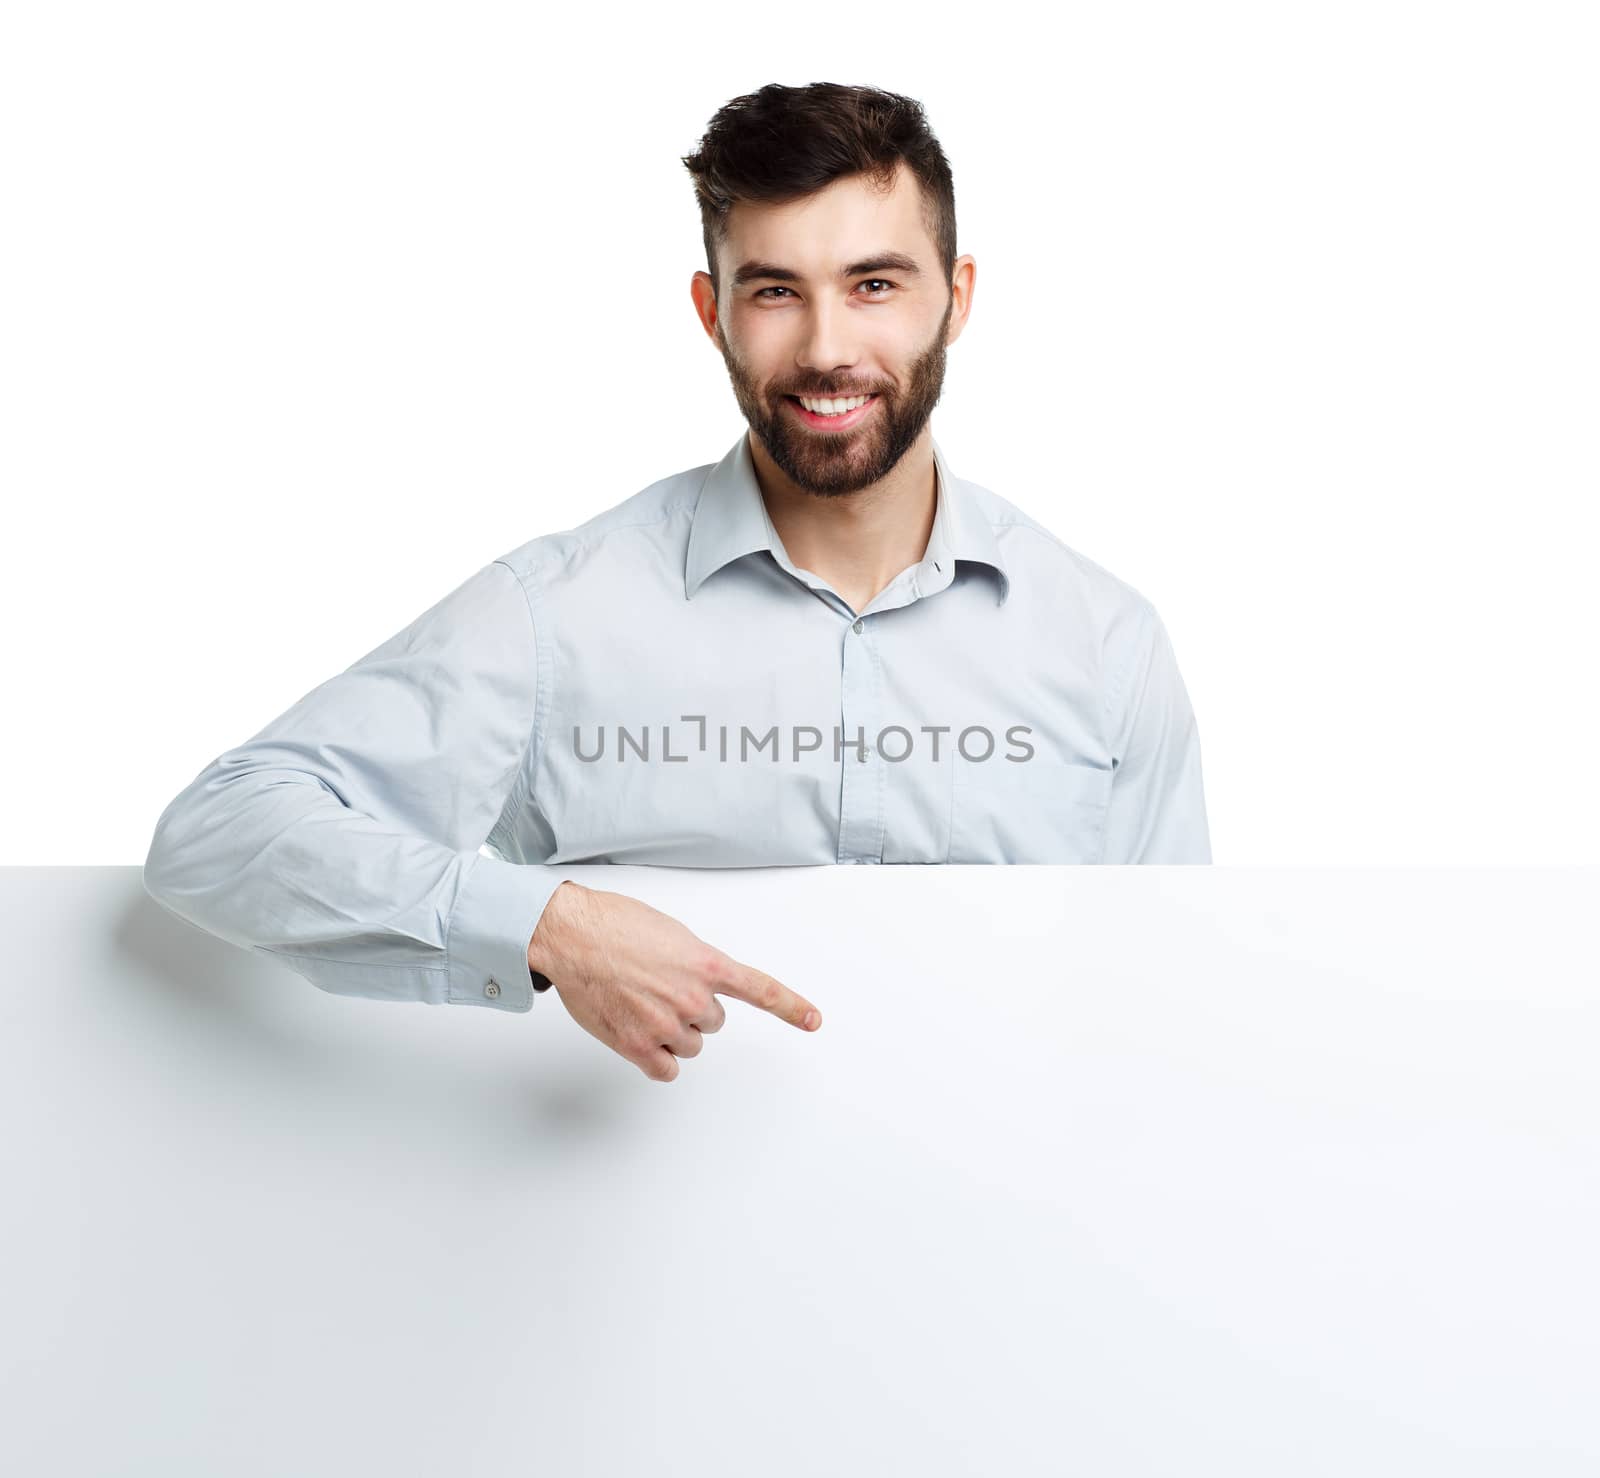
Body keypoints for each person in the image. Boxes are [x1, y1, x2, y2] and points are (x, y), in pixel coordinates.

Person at [143, 81, 1211, 1084]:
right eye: (775, 291)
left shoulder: (1104, 643)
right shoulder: (558, 613)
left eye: (874, 284)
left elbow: (1179, 1008)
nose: (827, 346)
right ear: (711, 310)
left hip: (1014, 1248)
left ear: (957, 297)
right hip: (634, 1267)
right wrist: (546, 920)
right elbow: (220, 828)